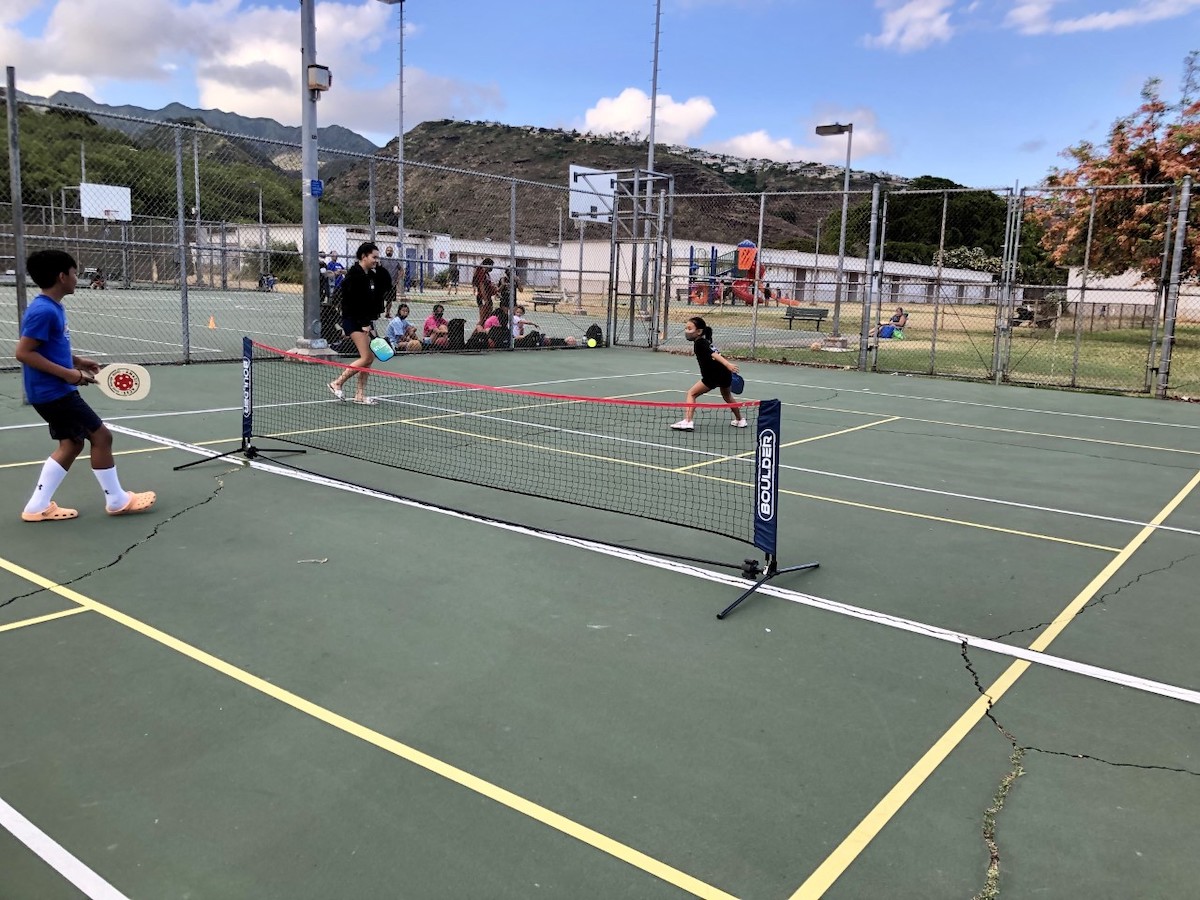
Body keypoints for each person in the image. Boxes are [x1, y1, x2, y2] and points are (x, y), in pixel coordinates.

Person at [15, 249, 156, 522]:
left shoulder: (51, 307)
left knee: (72, 444)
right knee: (101, 437)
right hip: (54, 392)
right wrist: (69, 375)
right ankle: (117, 500)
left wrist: (77, 361)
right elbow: (24, 352)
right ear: (62, 276)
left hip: (51, 391)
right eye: (75, 273)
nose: (77, 278)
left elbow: (49, 348)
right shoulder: (44, 311)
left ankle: (36, 506)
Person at [328, 242, 386, 405]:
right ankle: (337, 383)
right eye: (374, 257)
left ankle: (360, 395)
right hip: (354, 321)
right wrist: (364, 324)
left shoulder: (365, 274)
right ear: (364, 256)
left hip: (363, 321)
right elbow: (354, 303)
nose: (376, 260)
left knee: (369, 357)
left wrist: (369, 323)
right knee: (366, 356)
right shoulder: (355, 275)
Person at [670, 316, 745, 431]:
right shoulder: (706, 342)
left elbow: (714, 355)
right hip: (724, 374)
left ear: (699, 331)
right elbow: (715, 354)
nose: (686, 331)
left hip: (712, 376)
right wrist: (727, 368)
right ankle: (740, 420)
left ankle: (688, 421)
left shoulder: (700, 343)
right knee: (727, 396)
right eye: (685, 328)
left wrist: (728, 364)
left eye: (689, 329)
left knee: (692, 394)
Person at [472, 257, 498, 327]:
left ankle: (485, 331)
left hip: (488, 296)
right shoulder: (481, 272)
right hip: (483, 297)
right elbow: (481, 286)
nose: (492, 268)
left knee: (487, 317)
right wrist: (485, 299)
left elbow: (488, 284)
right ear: (487, 265)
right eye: (491, 266)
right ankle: (476, 334)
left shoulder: (486, 273)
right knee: (482, 319)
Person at [380, 245, 401, 317]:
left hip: (392, 284)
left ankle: (387, 313)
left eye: (391, 251)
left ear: (392, 252)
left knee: (390, 300)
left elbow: (401, 271)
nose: (389, 252)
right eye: (388, 250)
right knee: (380, 299)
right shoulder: (382, 260)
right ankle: (378, 312)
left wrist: (398, 279)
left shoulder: (396, 261)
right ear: (385, 251)